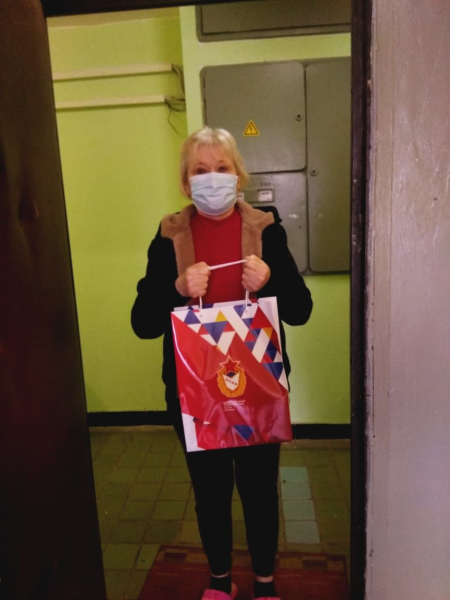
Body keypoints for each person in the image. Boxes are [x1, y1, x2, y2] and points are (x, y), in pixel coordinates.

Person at [131, 126, 313, 600]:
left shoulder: (267, 231)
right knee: (210, 492)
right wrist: (175, 289)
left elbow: (301, 310)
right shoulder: (168, 238)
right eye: (200, 170)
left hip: (258, 389)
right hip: (195, 394)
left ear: (238, 175)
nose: (212, 178)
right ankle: (218, 580)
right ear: (185, 182)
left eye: (221, 167)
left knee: (258, 490)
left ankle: (265, 582)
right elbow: (142, 324)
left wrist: (272, 280)